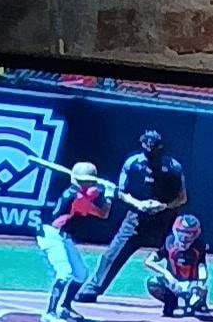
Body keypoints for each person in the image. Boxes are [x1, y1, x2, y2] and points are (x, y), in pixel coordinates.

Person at [79, 129, 189, 308]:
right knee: (112, 253)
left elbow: (182, 198)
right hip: (136, 219)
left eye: (155, 152)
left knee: (178, 255)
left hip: (165, 220)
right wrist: (139, 204)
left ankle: (182, 294)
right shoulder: (132, 164)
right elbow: (121, 192)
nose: (151, 157)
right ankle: (93, 289)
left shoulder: (174, 168)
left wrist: (164, 206)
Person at [33, 159, 113, 322]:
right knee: (65, 273)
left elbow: (92, 193)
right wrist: (109, 196)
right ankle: (49, 312)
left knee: (81, 274)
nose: (88, 184)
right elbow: (102, 213)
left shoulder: (79, 193)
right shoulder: (75, 197)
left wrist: (102, 189)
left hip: (63, 236)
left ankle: (65, 307)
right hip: (51, 235)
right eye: (85, 182)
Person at [146, 213, 213, 320]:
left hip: (191, 284)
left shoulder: (198, 246)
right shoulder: (169, 242)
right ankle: (171, 301)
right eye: (182, 232)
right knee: (153, 283)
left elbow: (202, 267)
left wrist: (200, 284)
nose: (185, 237)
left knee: (194, 302)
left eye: (189, 233)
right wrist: (166, 273)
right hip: (173, 283)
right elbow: (149, 261)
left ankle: (196, 303)